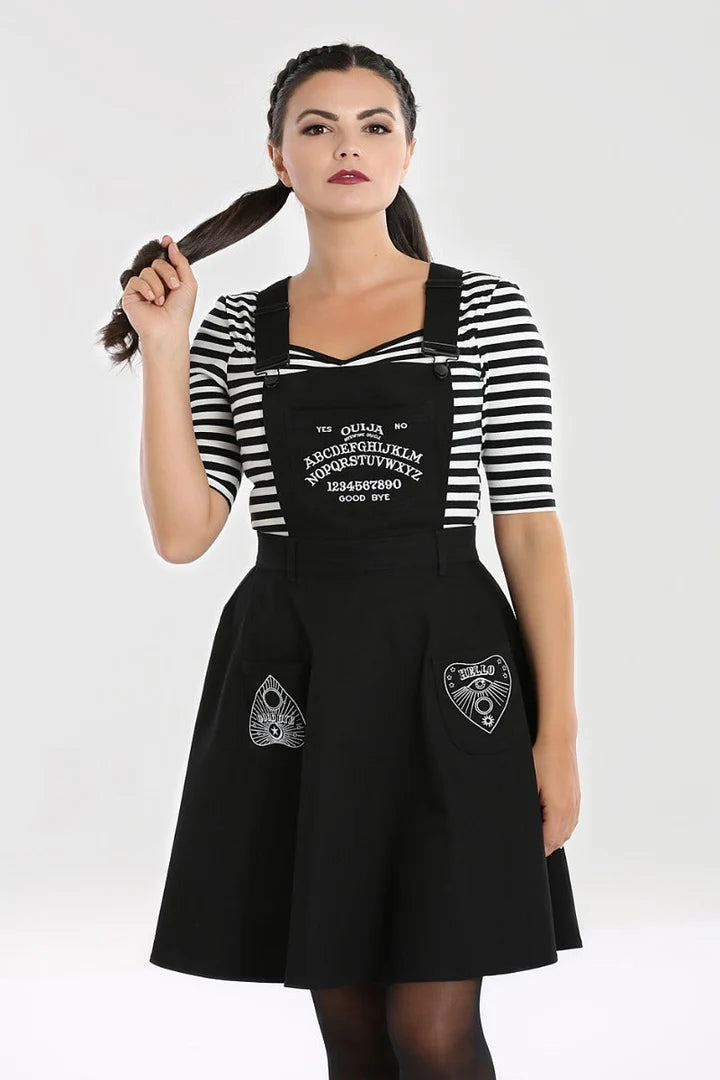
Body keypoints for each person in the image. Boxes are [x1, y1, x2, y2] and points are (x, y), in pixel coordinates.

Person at [98, 41, 582, 1080]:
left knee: (432, 1032)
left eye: (374, 125)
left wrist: (559, 736)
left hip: (454, 683)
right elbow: (184, 534)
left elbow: (529, 530)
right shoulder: (238, 328)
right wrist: (167, 349)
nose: (346, 146)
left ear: (409, 150)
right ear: (279, 156)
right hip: (298, 677)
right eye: (316, 127)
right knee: (353, 1035)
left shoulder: (486, 312)